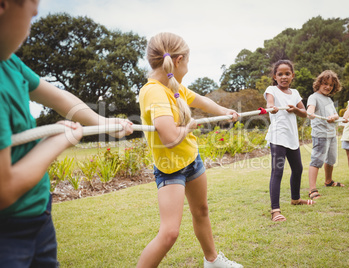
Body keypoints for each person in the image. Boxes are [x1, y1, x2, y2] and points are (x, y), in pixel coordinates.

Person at [0, 0, 133, 267]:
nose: (29, 29)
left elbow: (61, 99)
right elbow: (4, 189)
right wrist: (60, 140)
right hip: (8, 234)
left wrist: (105, 124)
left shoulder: (10, 64)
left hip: (39, 215)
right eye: (32, 15)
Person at [138, 32, 243, 268]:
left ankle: (213, 261)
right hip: (170, 170)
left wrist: (226, 111)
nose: (187, 67)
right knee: (169, 234)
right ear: (179, 60)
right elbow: (169, 138)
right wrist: (188, 127)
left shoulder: (174, 87)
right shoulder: (154, 91)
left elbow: (203, 102)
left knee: (202, 211)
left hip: (191, 161)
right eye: (187, 61)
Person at [264, 60, 314, 222]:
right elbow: (269, 103)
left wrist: (295, 110)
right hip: (278, 137)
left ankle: (295, 199)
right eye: (280, 74)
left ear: (292, 76)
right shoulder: (271, 90)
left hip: (292, 137)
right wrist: (272, 107)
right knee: (277, 171)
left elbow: (304, 113)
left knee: (298, 169)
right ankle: (275, 210)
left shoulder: (295, 93)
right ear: (275, 76)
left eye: (287, 74)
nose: (284, 77)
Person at [306, 70, 344, 200]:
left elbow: (335, 114)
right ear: (319, 83)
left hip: (331, 134)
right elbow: (310, 109)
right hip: (320, 135)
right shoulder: (314, 97)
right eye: (325, 84)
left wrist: (334, 117)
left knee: (331, 159)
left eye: (331, 85)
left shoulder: (328, 99)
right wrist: (310, 112)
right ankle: (312, 190)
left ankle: (328, 181)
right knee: (317, 161)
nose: (328, 87)